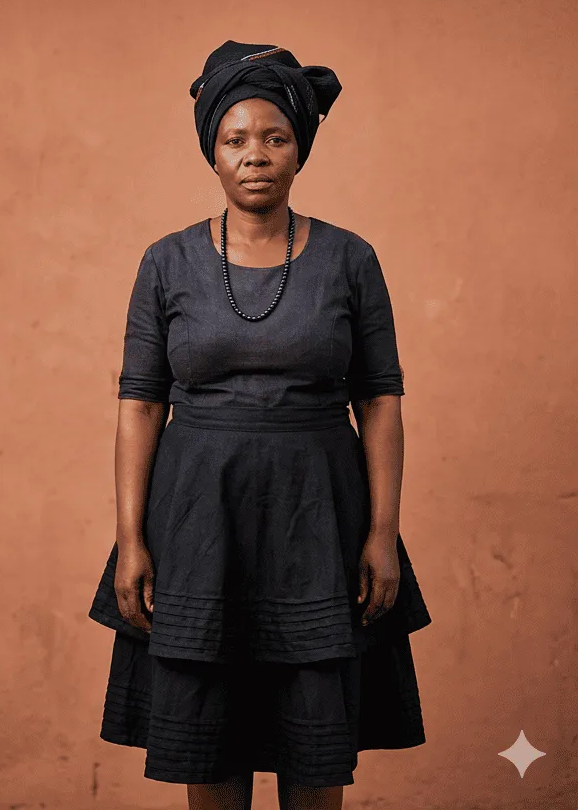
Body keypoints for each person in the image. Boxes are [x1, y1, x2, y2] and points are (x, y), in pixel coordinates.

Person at [88, 41, 432, 810]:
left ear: (299, 151)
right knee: (207, 734)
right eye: (235, 140)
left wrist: (381, 533)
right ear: (212, 152)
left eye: (275, 138)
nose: (255, 156)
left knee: (315, 740)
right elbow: (140, 402)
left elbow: (380, 398)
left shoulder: (351, 260)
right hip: (196, 522)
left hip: (320, 520)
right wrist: (133, 538)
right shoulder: (166, 263)